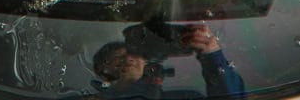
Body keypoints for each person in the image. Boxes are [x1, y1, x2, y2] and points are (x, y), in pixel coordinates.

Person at [91, 22, 245, 98]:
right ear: (103, 71)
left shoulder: (185, 97)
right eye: (118, 58)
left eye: (133, 53)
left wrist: (212, 55)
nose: (129, 59)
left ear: (146, 63)